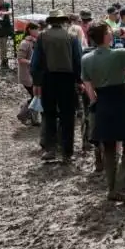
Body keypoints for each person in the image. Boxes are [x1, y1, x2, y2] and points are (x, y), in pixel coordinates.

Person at [82, 21, 125, 205]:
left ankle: (112, 189)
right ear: (106, 36)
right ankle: (121, 189)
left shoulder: (86, 59)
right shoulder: (119, 54)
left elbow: (87, 86)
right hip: (120, 101)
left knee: (109, 148)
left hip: (102, 102)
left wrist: (95, 102)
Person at [30, 9, 83, 164]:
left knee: (49, 114)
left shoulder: (42, 37)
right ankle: (67, 152)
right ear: (62, 21)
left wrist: (37, 82)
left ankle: (50, 149)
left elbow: (36, 62)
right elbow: (78, 60)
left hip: (48, 79)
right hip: (67, 80)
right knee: (68, 116)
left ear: (50, 22)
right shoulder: (71, 37)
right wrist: (79, 80)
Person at [17, 22, 40, 125]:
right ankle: (24, 114)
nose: (37, 31)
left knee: (36, 96)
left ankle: (30, 116)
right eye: (36, 29)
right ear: (30, 30)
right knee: (35, 96)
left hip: (34, 75)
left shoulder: (35, 42)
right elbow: (20, 59)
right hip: (27, 75)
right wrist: (32, 62)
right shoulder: (25, 43)